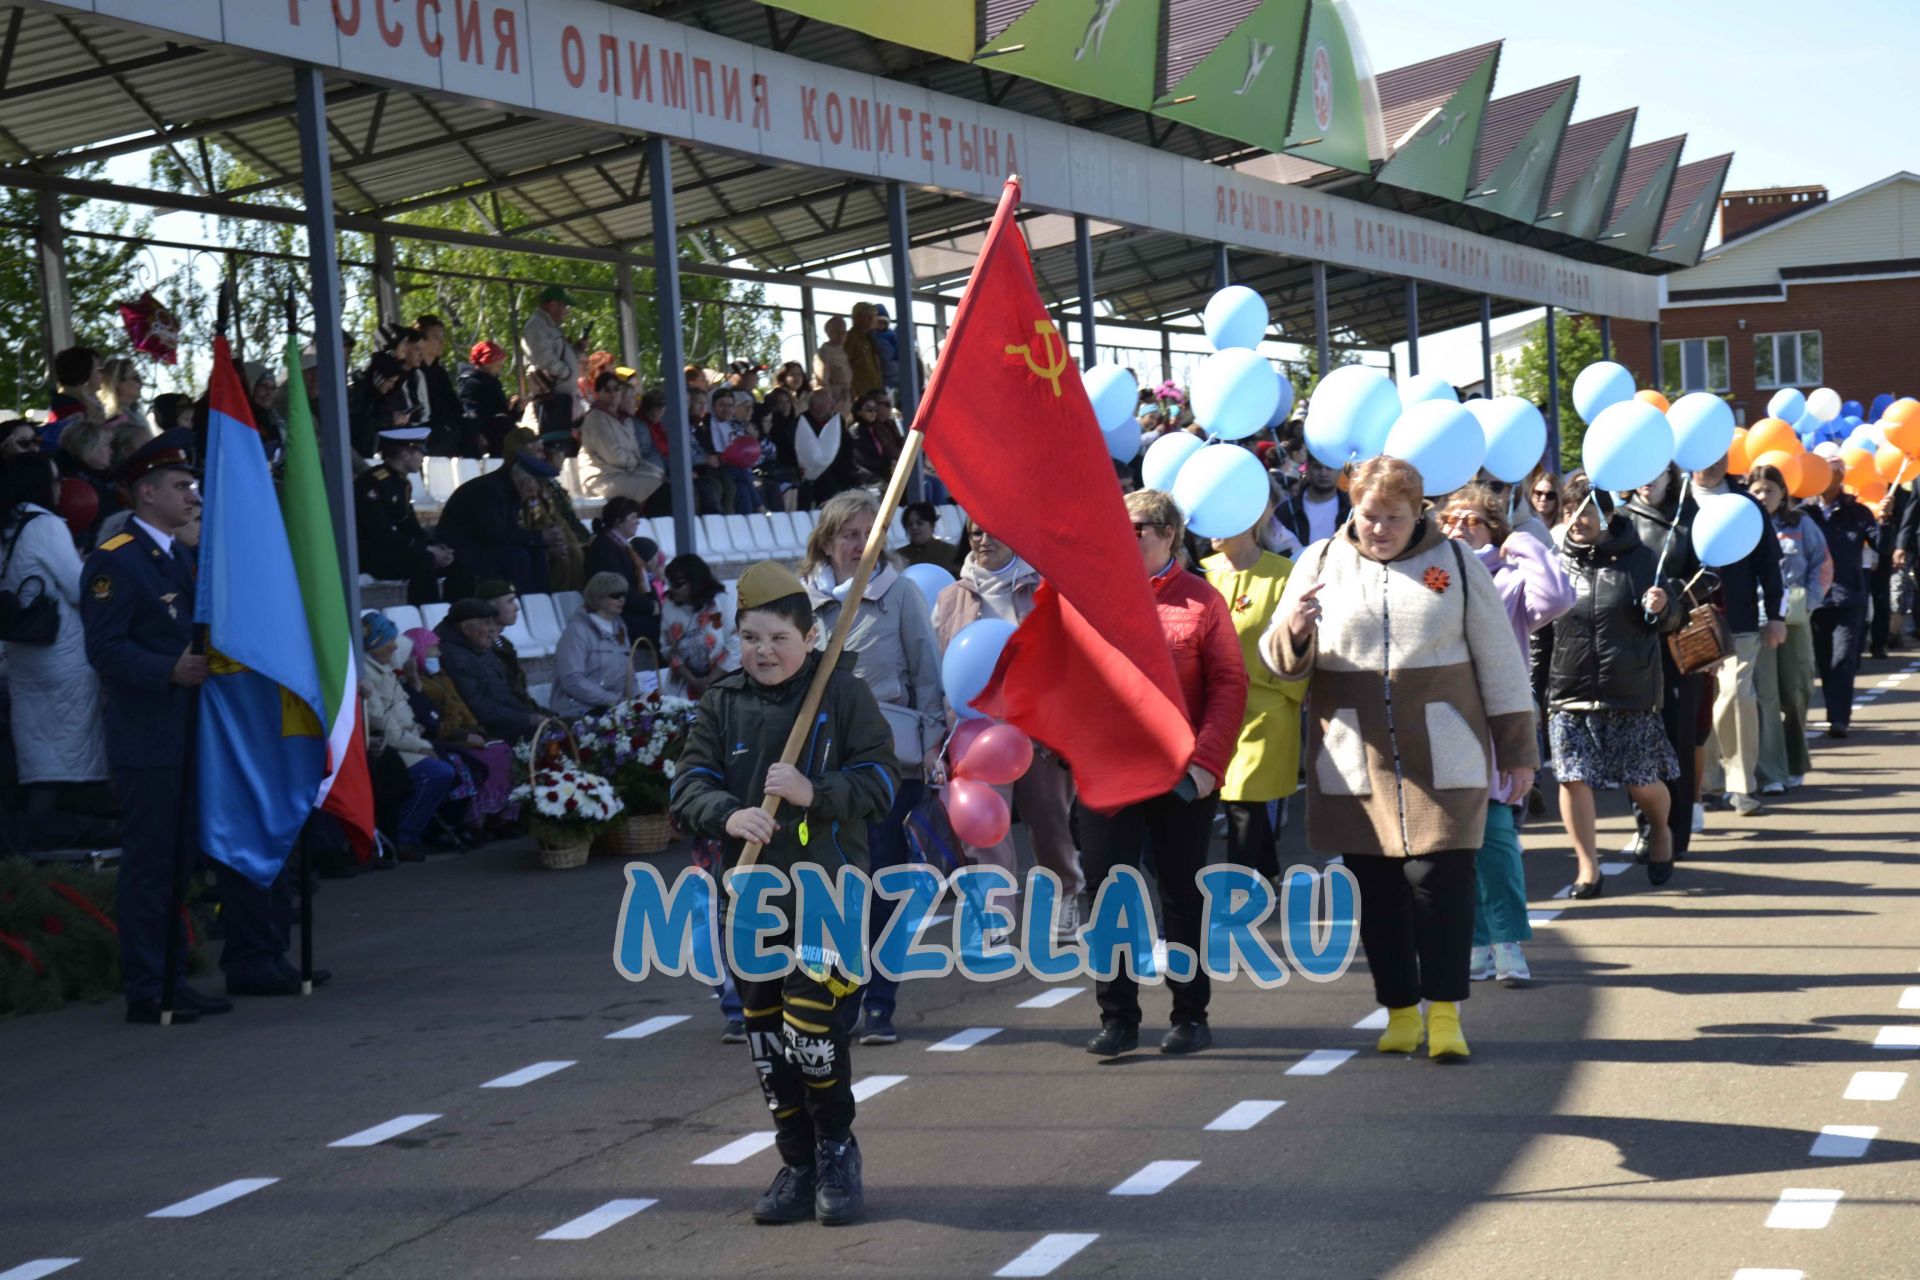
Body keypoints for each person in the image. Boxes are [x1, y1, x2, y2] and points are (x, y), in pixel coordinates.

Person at [1265, 457, 1535, 1062]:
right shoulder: (1318, 562)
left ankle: (1445, 1013)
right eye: (1368, 516)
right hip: (1353, 753)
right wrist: (1297, 629)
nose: (1379, 528)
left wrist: (1517, 749)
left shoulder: (1458, 564)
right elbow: (1280, 663)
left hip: (1446, 746)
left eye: (1393, 517)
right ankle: (1400, 1010)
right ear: (1352, 510)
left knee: (1441, 882)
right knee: (1379, 890)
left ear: (1420, 514)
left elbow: (1500, 661)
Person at [668, 559, 898, 1227]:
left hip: (827, 896)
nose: (762, 652)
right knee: (766, 1039)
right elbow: (688, 786)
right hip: (750, 901)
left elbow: (882, 784)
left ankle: (836, 1152)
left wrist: (814, 794)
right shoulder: (722, 700)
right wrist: (725, 813)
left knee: (813, 1031)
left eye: (777, 638)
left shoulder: (842, 695)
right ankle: (796, 1161)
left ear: (809, 640)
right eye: (749, 638)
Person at [80, 431, 294, 1021]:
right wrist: (167, 670)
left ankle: (178, 975)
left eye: (192, 484)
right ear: (145, 493)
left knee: (181, 864)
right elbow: (105, 649)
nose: (193, 495)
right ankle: (151, 987)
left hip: (196, 731)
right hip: (151, 738)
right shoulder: (116, 558)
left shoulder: (179, 556)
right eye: (180, 486)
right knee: (154, 864)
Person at [1077, 489, 1245, 1058]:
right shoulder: (1091, 597)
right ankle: (1117, 1016)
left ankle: (1191, 1014)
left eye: (1138, 527)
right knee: (1108, 895)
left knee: (1180, 895)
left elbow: (1228, 685)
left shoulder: (1202, 602)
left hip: (1180, 776)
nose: (1124, 536)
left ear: (1169, 533)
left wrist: (1206, 763)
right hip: (1110, 773)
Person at [802, 492, 945, 1047]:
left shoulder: (901, 594)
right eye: (850, 533)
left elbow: (927, 674)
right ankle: (838, 996)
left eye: (870, 533)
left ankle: (880, 1002)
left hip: (886, 761)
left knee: (882, 883)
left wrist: (933, 741)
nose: (860, 543)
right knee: (831, 884)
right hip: (817, 766)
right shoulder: (800, 599)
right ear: (827, 539)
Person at [1437, 483, 1574, 985]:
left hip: (1494, 730)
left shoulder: (1511, 579)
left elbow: (1557, 598)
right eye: (1451, 518)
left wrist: (1523, 542)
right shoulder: (1431, 575)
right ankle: (1473, 943)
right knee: (1452, 846)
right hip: (1439, 726)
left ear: (1493, 529)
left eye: (1472, 519)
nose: (1458, 527)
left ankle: (1508, 942)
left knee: (1495, 842)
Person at [932, 521, 1085, 941]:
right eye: (974, 533)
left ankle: (1066, 897)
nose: (983, 541)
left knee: (1050, 821)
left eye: (992, 532)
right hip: (976, 731)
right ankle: (996, 913)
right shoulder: (949, 599)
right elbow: (938, 672)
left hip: (1039, 726)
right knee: (985, 830)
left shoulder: (1043, 590)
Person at [1548, 478, 1683, 897]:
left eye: (1585, 510)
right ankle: (1588, 867)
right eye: (1569, 511)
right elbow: (1540, 632)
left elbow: (1669, 619)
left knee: (1641, 781)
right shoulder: (1557, 560)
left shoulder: (1641, 559)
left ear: (1608, 515)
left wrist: (1663, 608)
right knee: (1572, 777)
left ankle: (1660, 830)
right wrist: (1534, 693)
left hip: (1629, 688)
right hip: (1568, 690)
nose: (1576, 519)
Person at [2, 454, 112, 847]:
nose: (62, 487)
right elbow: (77, 585)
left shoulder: (9, 526)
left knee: (40, 745)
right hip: (61, 653)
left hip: (25, 653)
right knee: (67, 744)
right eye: (54, 480)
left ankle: (42, 831)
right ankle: (55, 833)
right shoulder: (44, 524)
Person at [1200, 492, 1303, 886]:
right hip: (1211, 709)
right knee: (1243, 798)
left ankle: (1238, 891)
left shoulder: (1284, 574)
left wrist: (1289, 694)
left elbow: (1300, 640)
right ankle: (1269, 871)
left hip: (1266, 706)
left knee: (1243, 795)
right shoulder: (1201, 572)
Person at [1620, 464, 1710, 853]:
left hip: (1678, 643)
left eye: (1655, 469)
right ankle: (1649, 828)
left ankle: (1679, 830)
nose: (1646, 476)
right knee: (1635, 739)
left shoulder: (1689, 518)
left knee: (1678, 738)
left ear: (1670, 475)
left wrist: (1671, 591)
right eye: (1641, 466)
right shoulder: (1618, 518)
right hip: (1630, 644)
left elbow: (1708, 577)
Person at [1692, 456, 1785, 809]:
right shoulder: (1678, 501)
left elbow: (1768, 564)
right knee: (1703, 700)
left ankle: (1741, 785)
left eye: (1720, 452)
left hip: (1740, 619)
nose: (1714, 461)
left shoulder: (1747, 504)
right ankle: (1708, 783)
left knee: (1736, 694)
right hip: (1691, 623)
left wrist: (1775, 614)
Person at [1749, 464, 1828, 794]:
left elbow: (1821, 564)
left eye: (1769, 489)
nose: (1763, 496)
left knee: (1795, 693)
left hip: (1794, 620)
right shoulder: (1744, 526)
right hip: (1758, 620)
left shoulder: (1802, 524)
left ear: (1783, 494)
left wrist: (1808, 603)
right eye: (1756, 490)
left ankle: (1796, 761)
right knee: (1764, 695)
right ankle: (1771, 772)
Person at [360, 612, 458, 857]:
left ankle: (419, 833)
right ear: (374, 643)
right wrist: (422, 746)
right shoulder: (368, 674)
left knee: (453, 764)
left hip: (409, 741)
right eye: (388, 640)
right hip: (391, 747)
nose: (395, 646)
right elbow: (386, 729)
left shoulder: (384, 669)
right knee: (437, 772)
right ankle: (403, 835)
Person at [406, 625, 516, 832]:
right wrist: (466, 733)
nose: (438, 654)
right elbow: (435, 724)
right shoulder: (418, 686)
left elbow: (463, 708)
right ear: (418, 652)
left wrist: (475, 728)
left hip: (464, 732)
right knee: (481, 759)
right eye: (432, 649)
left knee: (501, 750)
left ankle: (498, 816)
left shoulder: (442, 677)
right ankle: (474, 822)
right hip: (447, 738)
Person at [1806, 458, 1877, 739]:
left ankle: (1838, 718)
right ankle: (1832, 711)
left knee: (1843, 658)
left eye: (1837, 469)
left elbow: (1880, 545)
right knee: (1824, 660)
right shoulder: (1804, 513)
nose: (1832, 474)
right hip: (1816, 599)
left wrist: (1883, 520)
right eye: (1825, 467)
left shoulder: (1857, 512)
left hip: (1849, 597)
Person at [434, 450, 559, 597]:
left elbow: (509, 531)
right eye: (536, 488)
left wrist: (542, 542)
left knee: (536, 551)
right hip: (462, 550)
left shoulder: (509, 488)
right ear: (527, 483)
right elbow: (495, 534)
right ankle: (522, 604)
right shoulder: (488, 490)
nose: (534, 494)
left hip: (482, 546)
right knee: (518, 556)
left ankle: (538, 604)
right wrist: (539, 537)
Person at [355, 426, 450, 604]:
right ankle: (425, 611)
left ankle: (454, 612)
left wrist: (434, 544)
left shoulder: (402, 482)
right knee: (424, 561)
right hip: (373, 554)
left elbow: (408, 523)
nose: (423, 458)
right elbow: (379, 532)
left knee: (451, 556)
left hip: (394, 548)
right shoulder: (373, 482)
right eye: (420, 452)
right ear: (405, 455)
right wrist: (425, 549)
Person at [436, 597, 543, 741]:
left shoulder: (478, 646)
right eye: (487, 624)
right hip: (480, 728)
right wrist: (527, 719)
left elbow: (504, 694)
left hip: (501, 718)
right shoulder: (452, 656)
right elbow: (478, 707)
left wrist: (529, 714)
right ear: (467, 629)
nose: (493, 629)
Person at [552, 572, 636, 716]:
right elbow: (572, 679)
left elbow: (629, 675)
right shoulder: (576, 631)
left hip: (613, 708)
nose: (622, 599)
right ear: (598, 597)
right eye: (615, 595)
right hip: (580, 710)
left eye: (623, 595)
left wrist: (637, 702)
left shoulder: (620, 628)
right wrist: (613, 700)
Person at [583, 497, 662, 649]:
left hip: (630, 611)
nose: (638, 522)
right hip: (617, 615)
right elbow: (618, 589)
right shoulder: (605, 548)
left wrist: (654, 604)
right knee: (665, 631)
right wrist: (650, 607)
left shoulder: (622, 547)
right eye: (633, 517)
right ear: (618, 521)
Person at [578, 370, 664, 506]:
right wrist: (635, 462)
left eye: (616, 388)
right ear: (598, 394)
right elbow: (614, 456)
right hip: (603, 478)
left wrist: (636, 462)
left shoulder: (626, 420)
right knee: (661, 490)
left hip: (626, 473)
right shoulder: (595, 418)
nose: (613, 393)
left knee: (667, 482)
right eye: (607, 390)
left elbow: (635, 451)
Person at [660, 553, 739, 700]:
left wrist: (711, 680)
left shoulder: (721, 602)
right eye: (670, 583)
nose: (672, 589)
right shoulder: (669, 608)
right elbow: (668, 649)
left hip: (725, 683)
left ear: (695, 581)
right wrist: (694, 682)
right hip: (684, 689)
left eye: (678, 584)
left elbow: (735, 642)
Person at [520, 284, 585, 437]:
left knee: (561, 444)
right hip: (551, 397)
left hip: (559, 395)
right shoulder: (537, 325)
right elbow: (543, 360)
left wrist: (577, 350)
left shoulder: (549, 326)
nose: (566, 311)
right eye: (564, 306)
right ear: (553, 304)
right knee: (553, 444)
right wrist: (567, 373)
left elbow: (558, 356)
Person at [1276, 455, 1349, 548]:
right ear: (1308, 468)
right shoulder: (1287, 510)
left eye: (1329, 467)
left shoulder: (1353, 508)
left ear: (1340, 470)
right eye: (1317, 467)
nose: (1323, 473)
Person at [846, 391, 904, 487]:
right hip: (868, 477)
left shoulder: (875, 428)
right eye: (869, 409)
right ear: (859, 412)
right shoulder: (856, 431)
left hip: (884, 474)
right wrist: (889, 463)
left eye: (875, 409)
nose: (873, 413)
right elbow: (864, 460)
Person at [898, 501, 964, 575]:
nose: (914, 527)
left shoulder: (950, 552)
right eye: (910, 524)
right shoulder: (899, 556)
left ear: (932, 525)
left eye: (920, 523)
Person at [813, 317, 853, 419]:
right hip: (833, 403)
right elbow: (821, 382)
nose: (841, 335)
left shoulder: (843, 351)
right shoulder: (824, 352)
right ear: (829, 333)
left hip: (846, 400)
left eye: (844, 332)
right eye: (837, 332)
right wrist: (831, 403)